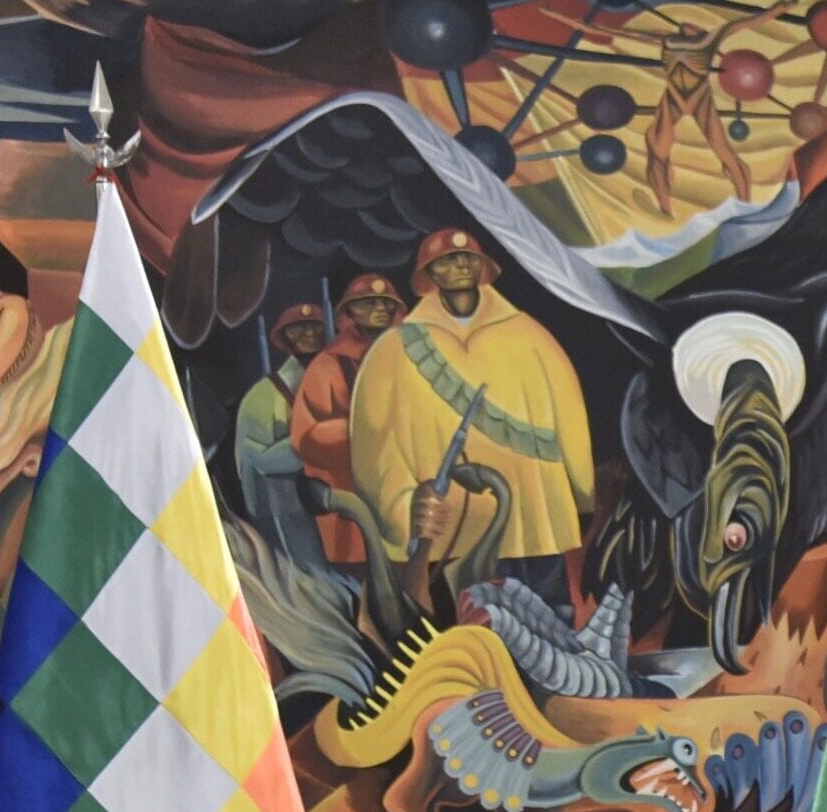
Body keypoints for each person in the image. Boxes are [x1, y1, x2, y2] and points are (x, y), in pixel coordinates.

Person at [349, 228, 594, 610]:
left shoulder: (531, 336)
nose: (460, 265)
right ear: (429, 275)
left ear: (483, 268)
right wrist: (403, 508)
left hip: (532, 521)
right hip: (450, 534)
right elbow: (376, 445)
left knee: (549, 636)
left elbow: (571, 421)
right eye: (447, 260)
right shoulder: (394, 350)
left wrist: (581, 495)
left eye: (467, 258)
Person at [290, 274, 405, 575]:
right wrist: (367, 432)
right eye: (368, 303)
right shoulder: (327, 365)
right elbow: (306, 437)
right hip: (353, 496)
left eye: (385, 302)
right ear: (350, 312)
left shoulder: (411, 357)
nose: (379, 308)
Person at [234, 303, 329, 566]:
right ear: (284, 336)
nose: (309, 333)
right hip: (282, 511)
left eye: (315, 326)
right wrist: (319, 440)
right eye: (299, 327)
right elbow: (260, 460)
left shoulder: (329, 381)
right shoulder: (263, 395)